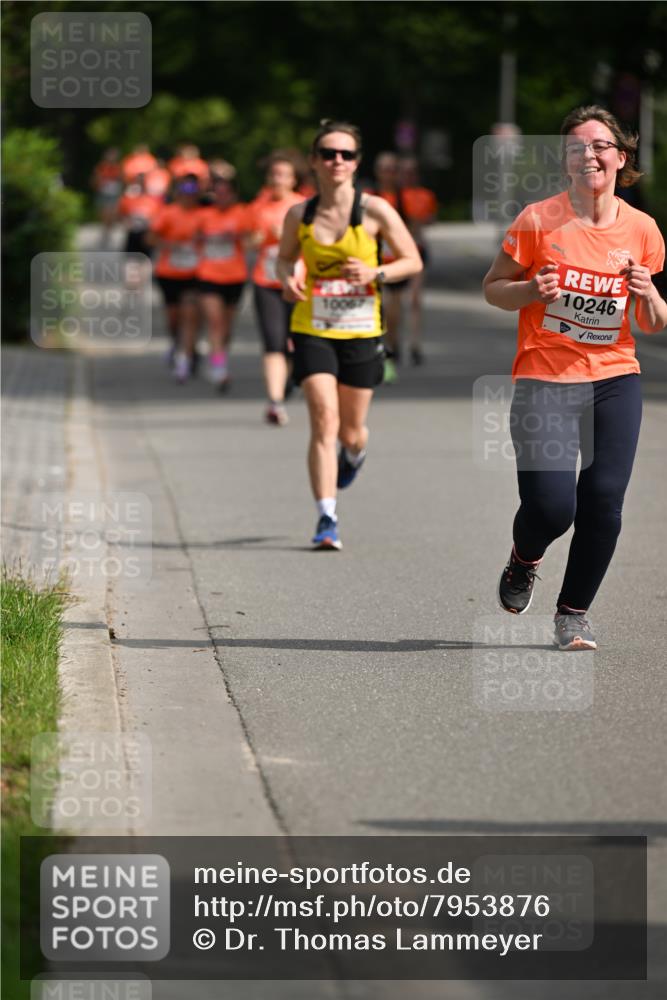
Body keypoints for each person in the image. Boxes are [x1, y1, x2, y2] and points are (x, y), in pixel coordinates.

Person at [483, 105, 666, 650]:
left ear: (621, 157)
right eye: (575, 148)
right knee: (551, 506)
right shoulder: (539, 220)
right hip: (545, 376)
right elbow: (495, 287)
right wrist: (529, 292)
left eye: (599, 146)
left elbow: (653, 324)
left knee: (605, 499)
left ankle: (573, 614)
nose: (588, 155)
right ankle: (523, 560)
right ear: (564, 162)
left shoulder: (643, 229)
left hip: (615, 377)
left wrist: (648, 293)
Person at [278, 120, 422, 550]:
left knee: (351, 431)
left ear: (356, 163)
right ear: (313, 162)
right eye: (327, 153)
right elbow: (284, 260)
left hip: (361, 330)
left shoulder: (375, 210)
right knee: (324, 418)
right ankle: (327, 516)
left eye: (346, 154)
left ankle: (355, 454)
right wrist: (287, 278)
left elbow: (411, 260)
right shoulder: (298, 214)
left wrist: (375, 271)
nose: (336, 161)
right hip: (312, 327)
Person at [246, 154, 304, 424]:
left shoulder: (303, 206)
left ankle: (289, 381)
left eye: (283, 174)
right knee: (273, 343)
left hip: (298, 283)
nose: (277, 179)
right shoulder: (258, 207)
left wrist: (290, 239)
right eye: (273, 174)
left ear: (293, 179)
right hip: (266, 282)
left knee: (295, 345)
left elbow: (320, 243)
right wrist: (255, 239)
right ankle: (275, 401)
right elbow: (246, 242)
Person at [195, 170, 248, 388]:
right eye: (218, 193)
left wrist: (238, 237)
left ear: (234, 194)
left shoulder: (243, 213)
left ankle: (220, 357)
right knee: (215, 322)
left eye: (226, 193)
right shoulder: (204, 215)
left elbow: (253, 238)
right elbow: (193, 240)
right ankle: (219, 367)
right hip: (208, 274)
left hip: (235, 275)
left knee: (227, 326)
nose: (221, 197)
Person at [148, 174, 203, 380]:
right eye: (184, 194)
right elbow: (150, 238)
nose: (188, 198)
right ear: (178, 195)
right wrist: (169, 245)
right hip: (169, 273)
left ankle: (185, 358)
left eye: (192, 194)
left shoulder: (203, 214)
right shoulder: (168, 213)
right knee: (173, 318)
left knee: (190, 315)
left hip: (194, 273)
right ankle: (176, 343)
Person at [397, 156, 438, 365]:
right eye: (404, 171)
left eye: (411, 172)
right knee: (392, 303)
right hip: (393, 252)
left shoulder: (425, 195)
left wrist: (419, 223)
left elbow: (430, 219)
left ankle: (415, 344)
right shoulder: (392, 196)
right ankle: (392, 343)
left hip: (418, 249)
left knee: (414, 300)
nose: (408, 176)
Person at [90, 148, 123, 246]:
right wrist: (99, 183)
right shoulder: (101, 166)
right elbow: (95, 178)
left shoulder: (118, 167)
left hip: (114, 193)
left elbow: (121, 180)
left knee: (111, 213)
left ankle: (108, 231)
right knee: (103, 213)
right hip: (103, 192)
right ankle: (105, 230)